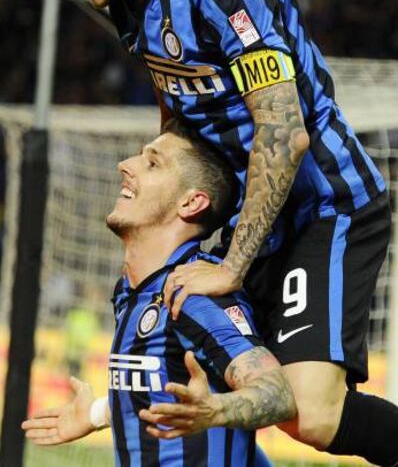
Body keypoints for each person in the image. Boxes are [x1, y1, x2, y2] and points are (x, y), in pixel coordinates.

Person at [35, 0, 398, 464]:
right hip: (251, 214)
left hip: (323, 207)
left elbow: (284, 131)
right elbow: (177, 108)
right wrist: (167, 195)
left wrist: (230, 265)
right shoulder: (126, 0)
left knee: (309, 415)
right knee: (192, 347)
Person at [22, 122, 296, 466]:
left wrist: (216, 410)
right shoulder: (131, 290)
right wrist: (96, 414)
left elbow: (278, 394)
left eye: (152, 163)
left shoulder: (195, 294)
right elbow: (163, 382)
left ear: (191, 202)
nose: (125, 165)